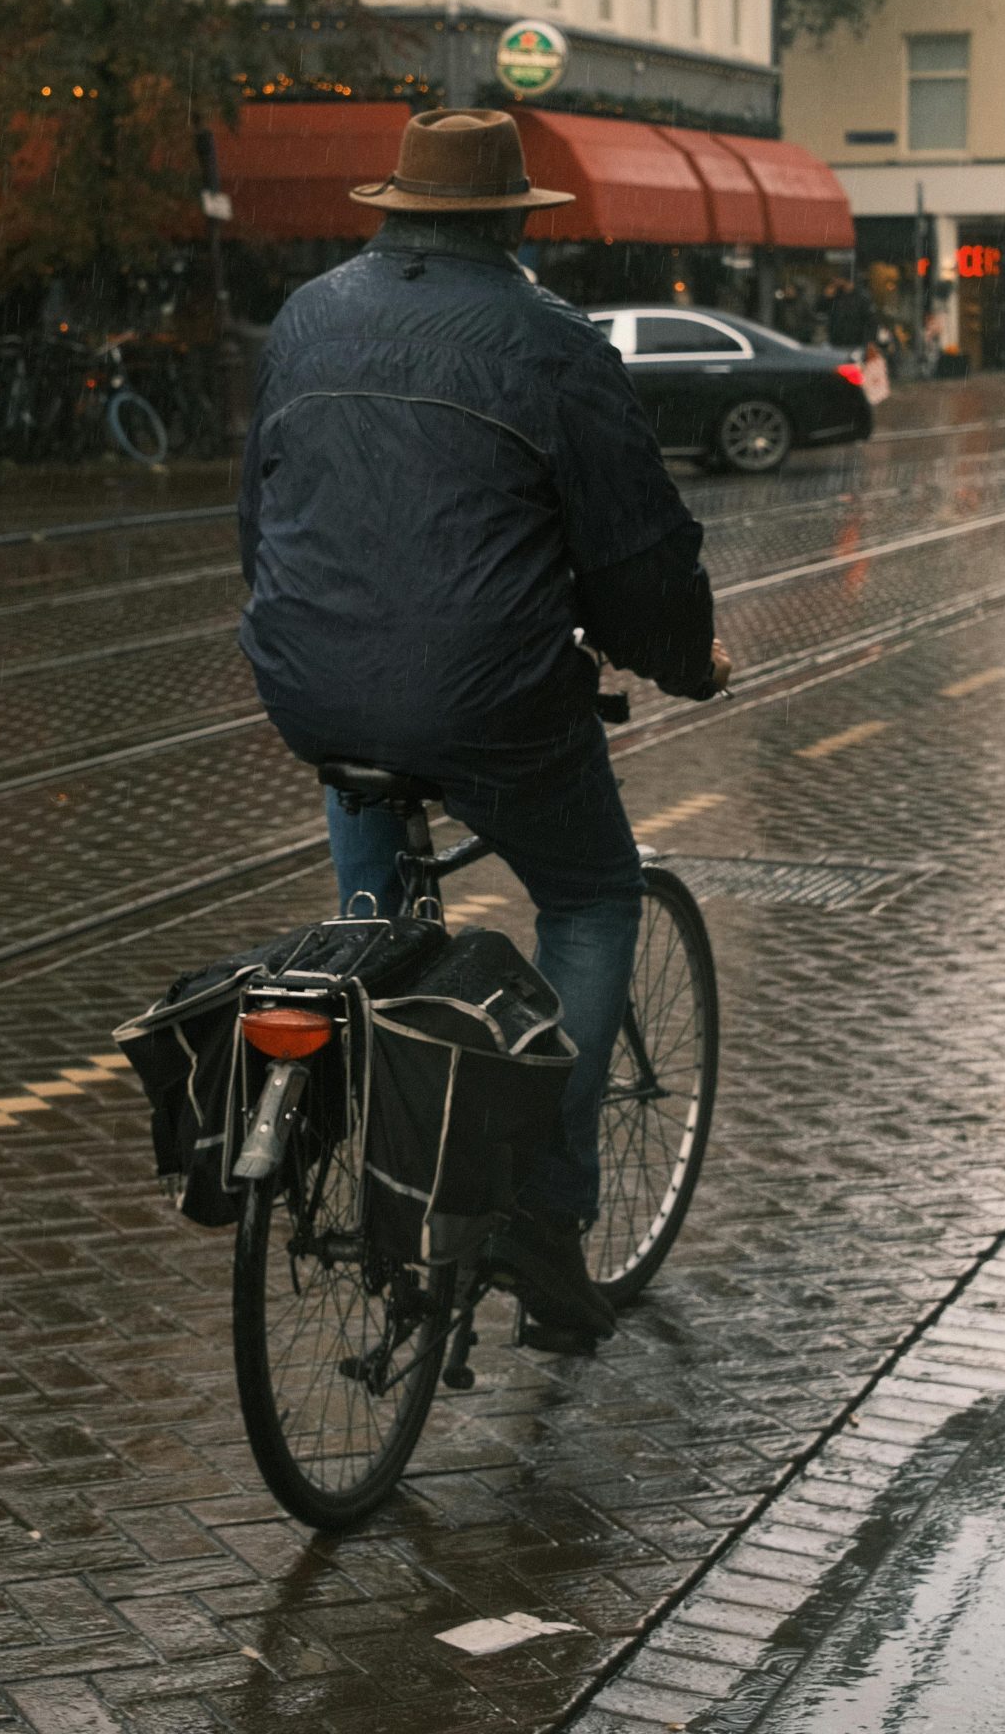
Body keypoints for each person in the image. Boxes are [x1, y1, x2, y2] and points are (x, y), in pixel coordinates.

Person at [238, 109, 730, 1347]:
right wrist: (687, 659)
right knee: (593, 894)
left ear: (392, 209)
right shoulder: (550, 342)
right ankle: (541, 1213)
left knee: (387, 918)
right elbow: (636, 548)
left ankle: (372, 1039)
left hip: (310, 679)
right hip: (488, 694)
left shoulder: (304, 316)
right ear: (514, 222)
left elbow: (260, 512)